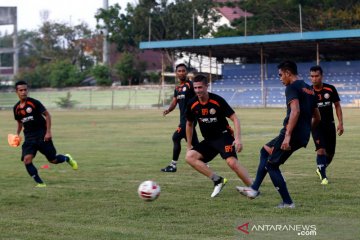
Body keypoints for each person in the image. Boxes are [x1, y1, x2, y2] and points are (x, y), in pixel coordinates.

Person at [237, 61, 321, 208]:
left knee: (272, 165)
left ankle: (288, 202)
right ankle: (254, 189)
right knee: (265, 150)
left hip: (291, 132)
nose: (280, 78)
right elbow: (317, 117)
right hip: (301, 134)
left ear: (288, 73)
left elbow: (295, 111)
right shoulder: (310, 89)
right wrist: (306, 130)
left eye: (281, 75)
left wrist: (288, 136)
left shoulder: (291, 87)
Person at [185, 74, 253, 198]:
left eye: (200, 87)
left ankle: (254, 189)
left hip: (224, 137)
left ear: (207, 86)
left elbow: (235, 118)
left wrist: (238, 139)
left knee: (232, 163)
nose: (198, 90)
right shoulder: (192, 104)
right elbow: (189, 124)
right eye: (195, 88)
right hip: (209, 141)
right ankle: (218, 180)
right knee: (190, 156)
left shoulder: (217, 100)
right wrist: (189, 145)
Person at [13, 81, 78, 187]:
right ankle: (40, 183)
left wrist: (48, 132)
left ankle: (67, 158)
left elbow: (47, 115)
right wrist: (17, 134)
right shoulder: (16, 108)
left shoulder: (34, 103)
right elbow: (20, 122)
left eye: (25, 90)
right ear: (17, 92)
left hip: (42, 134)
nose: (24, 92)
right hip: (29, 137)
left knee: (53, 160)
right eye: (21, 90)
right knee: (27, 159)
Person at [161, 63, 199, 172]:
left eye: (183, 70)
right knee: (194, 142)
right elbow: (174, 102)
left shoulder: (191, 85)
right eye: (179, 71)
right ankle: (205, 162)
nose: (181, 72)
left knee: (176, 137)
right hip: (183, 119)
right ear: (176, 73)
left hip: (189, 120)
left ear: (186, 72)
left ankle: (173, 165)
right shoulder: (177, 88)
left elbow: (199, 98)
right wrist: (168, 110)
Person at [310, 65, 344, 185]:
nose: (314, 79)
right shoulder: (308, 92)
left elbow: (337, 106)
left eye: (316, 76)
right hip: (316, 125)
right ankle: (324, 177)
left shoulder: (330, 89)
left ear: (321, 76)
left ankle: (321, 168)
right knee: (321, 150)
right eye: (312, 76)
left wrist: (340, 123)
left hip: (329, 125)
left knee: (330, 153)